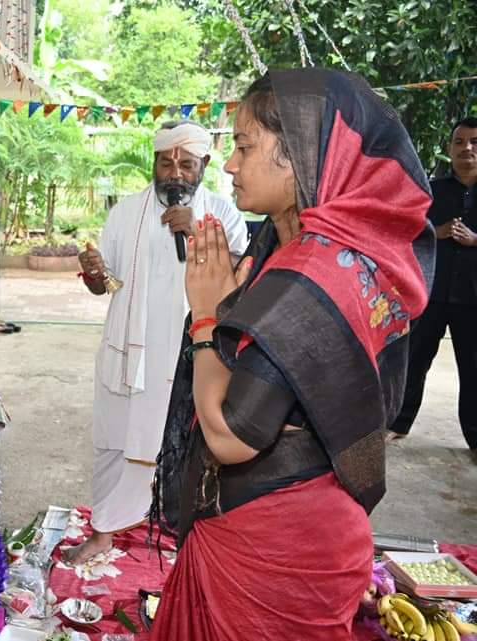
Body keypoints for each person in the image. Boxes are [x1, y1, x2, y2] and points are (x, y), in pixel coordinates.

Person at [148, 69, 434, 640]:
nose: (229, 164)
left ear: (304, 153)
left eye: (246, 146)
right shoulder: (333, 252)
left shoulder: (312, 271)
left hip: (274, 548)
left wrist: (205, 315)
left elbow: (231, 436)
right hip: (315, 518)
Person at [67, 121, 248, 564]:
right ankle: (104, 530)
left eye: (186, 164)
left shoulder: (223, 215)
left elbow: (241, 283)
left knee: (190, 449)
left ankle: (186, 536)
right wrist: (94, 273)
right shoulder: (125, 213)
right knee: (114, 440)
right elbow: (104, 286)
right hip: (130, 354)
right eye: (166, 162)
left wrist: (199, 232)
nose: (175, 173)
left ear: (203, 166)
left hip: (192, 354)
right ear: (154, 162)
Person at [389, 117, 477, 451]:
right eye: (459, 142)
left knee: (473, 369)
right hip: (432, 292)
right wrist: (435, 233)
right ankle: (399, 423)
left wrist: (474, 239)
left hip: (473, 296)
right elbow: (404, 230)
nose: (466, 148)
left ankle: (475, 437)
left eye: (474, 142)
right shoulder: (432, 191)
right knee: (414, 360)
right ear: (450, 149)